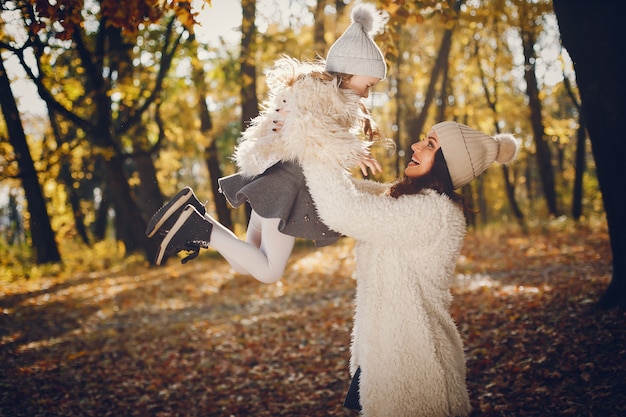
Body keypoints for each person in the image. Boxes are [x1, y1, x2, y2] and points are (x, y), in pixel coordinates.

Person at [145, 3, 388, 284]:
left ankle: (197, 218)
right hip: (284, 191)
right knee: (270, 271)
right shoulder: (320, 96)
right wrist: (351, 149)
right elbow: (310, 130)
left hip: (274, 184)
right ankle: (197, 227)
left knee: (245, 263)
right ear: (349, 72)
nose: (368, 95)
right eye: (368, 85)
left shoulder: (318, 94)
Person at [297, 121, 520, 416]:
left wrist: (313, 144)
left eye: (430, 144)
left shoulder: (433, 212)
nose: (416, 146)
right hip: (384, 358)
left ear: (446, 164)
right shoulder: (403, 200)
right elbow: (337, 192)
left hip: (416, 366)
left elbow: (342, 210)